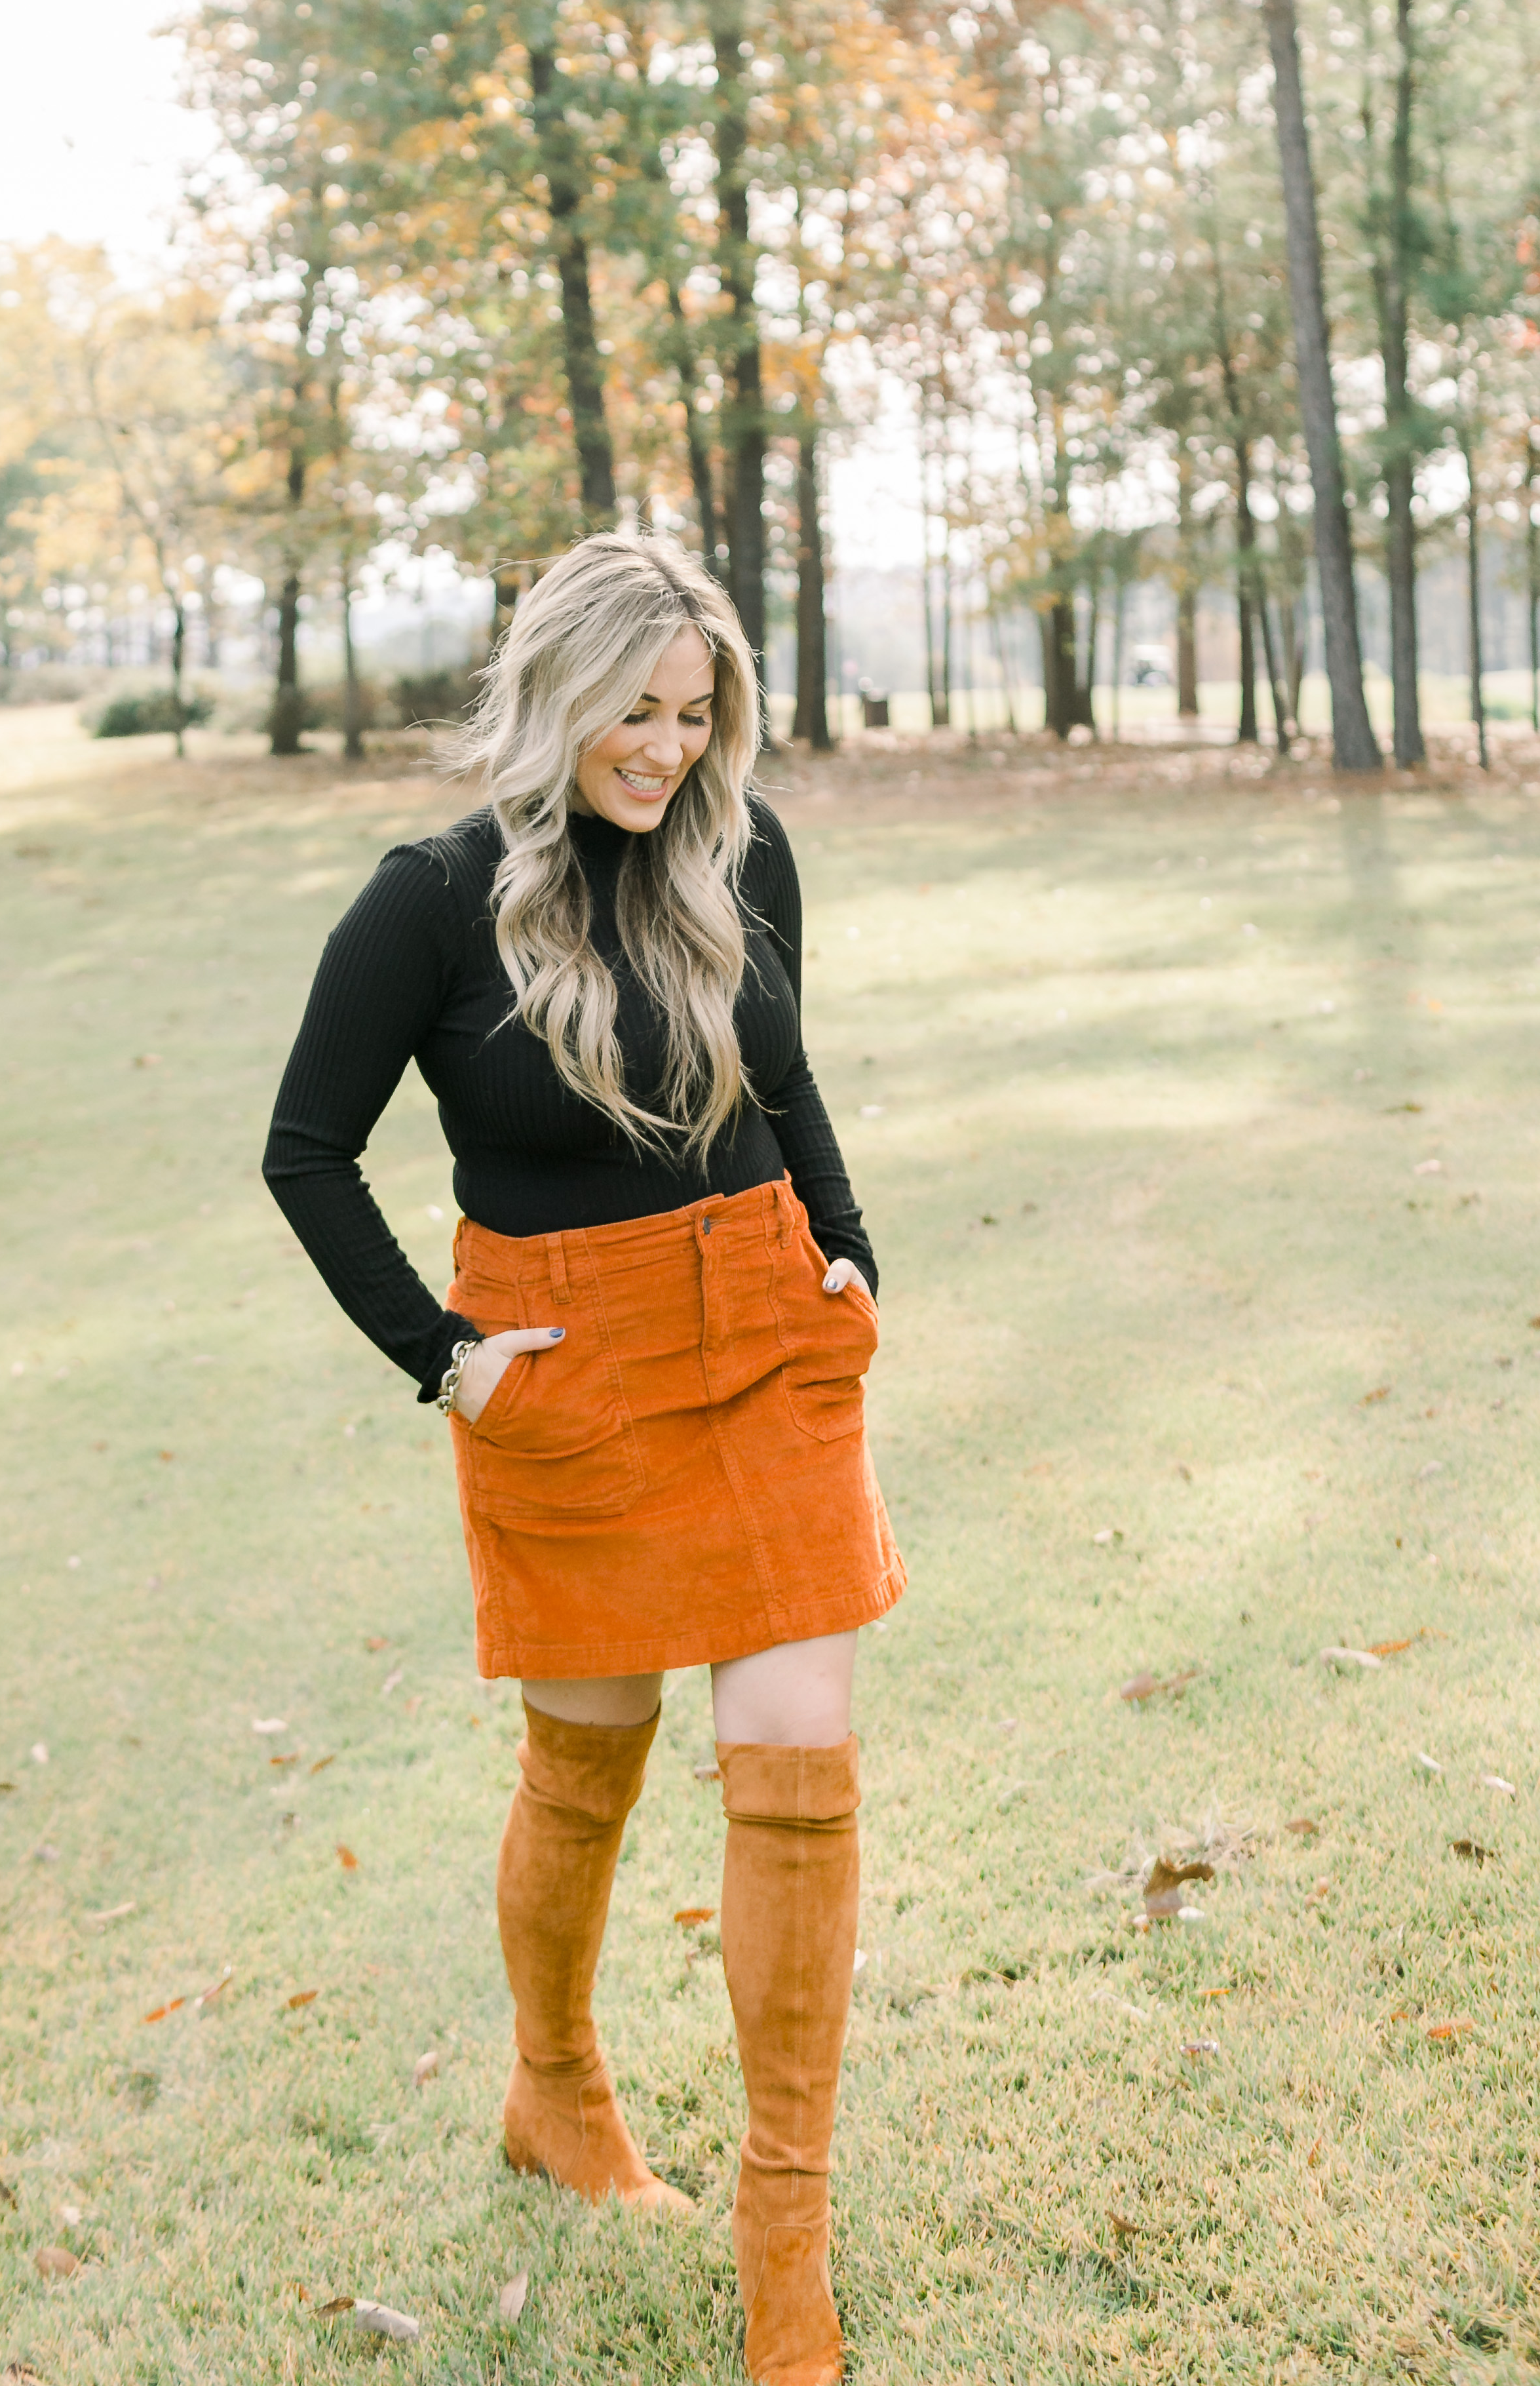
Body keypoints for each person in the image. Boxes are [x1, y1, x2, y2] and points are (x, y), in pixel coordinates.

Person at [263, 534, 904, 2386]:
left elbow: (784, 1074)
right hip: (569, 1374)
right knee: (589, 1768)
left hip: (767, 1329)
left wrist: (851, 1245)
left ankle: (788, 2244)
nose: (671, 747)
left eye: (699, 714)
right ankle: (556, 2093)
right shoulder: (434, 899)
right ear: (557, 691)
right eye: (638, 709)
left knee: (799, 1770)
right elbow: (307, 1151)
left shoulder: (742, 846)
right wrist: (447, 1364)